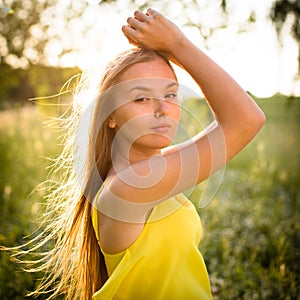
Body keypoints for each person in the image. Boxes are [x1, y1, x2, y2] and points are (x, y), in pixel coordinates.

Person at [7, 8, 265, 300]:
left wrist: (169, 50)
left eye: (170, 94)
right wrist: (176, 44)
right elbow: (246, 119)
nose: (163, 109)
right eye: (141, 97)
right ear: (111, 115)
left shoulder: (149, 170)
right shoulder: (131, 185)